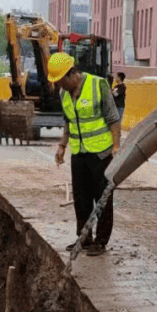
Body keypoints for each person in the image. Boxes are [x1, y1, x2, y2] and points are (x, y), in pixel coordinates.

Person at [48, 52, 120, 255]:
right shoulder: (64, 94)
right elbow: (68, 122)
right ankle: (84, 237)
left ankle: (101, 241)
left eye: (60, 81)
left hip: (101, 153)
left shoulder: (98, 85)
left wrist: (116, 147)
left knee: (103, 199)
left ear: (72, 74)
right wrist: (62, 147)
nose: (59, 86)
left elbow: (113, 119)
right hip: (78, 153)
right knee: (81, 198)